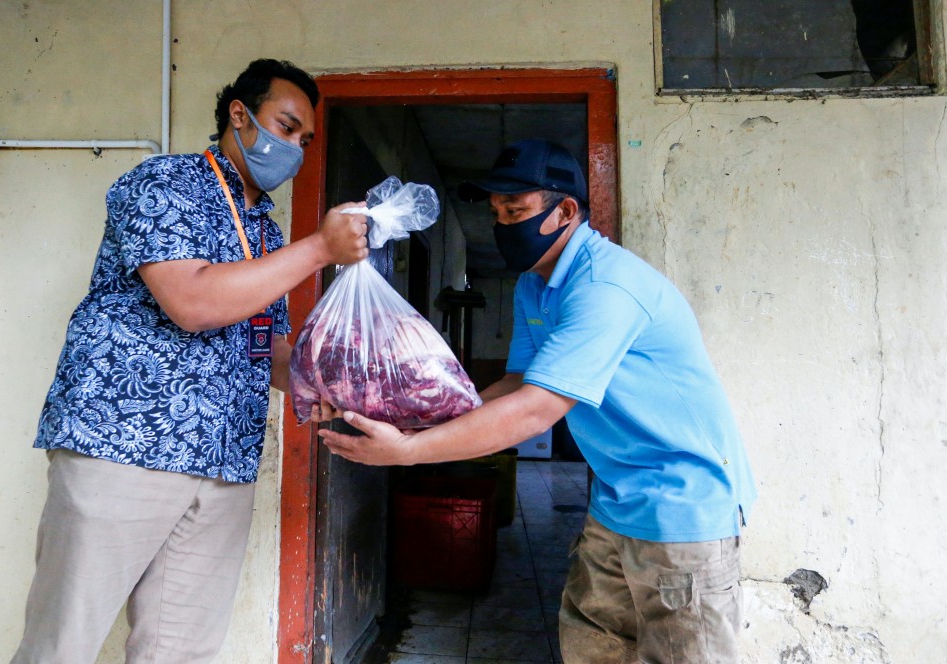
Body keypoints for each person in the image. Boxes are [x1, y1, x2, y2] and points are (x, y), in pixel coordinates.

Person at [317, 138, 757, 663]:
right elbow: (519, 381)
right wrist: (423, 426)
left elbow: (536, 409)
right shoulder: (534, 284)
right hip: (616, 501)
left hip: (684, 508)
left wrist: (410, 453)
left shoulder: (604, 285)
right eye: (497, 212)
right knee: (594, 646)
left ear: (565, 211)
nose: (502, 225)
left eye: (516, 210)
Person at [11, 59, 369, 664]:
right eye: (286, 127)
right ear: (240, 114)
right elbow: (193, 303)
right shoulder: (163, 184)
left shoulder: (263, 231)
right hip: (123, 450)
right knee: (62, 645)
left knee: (181, 652)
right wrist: (321, 248)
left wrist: (329, 382)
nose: (295, 149)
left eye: (305, 141)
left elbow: (267, 349)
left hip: (223, 464)